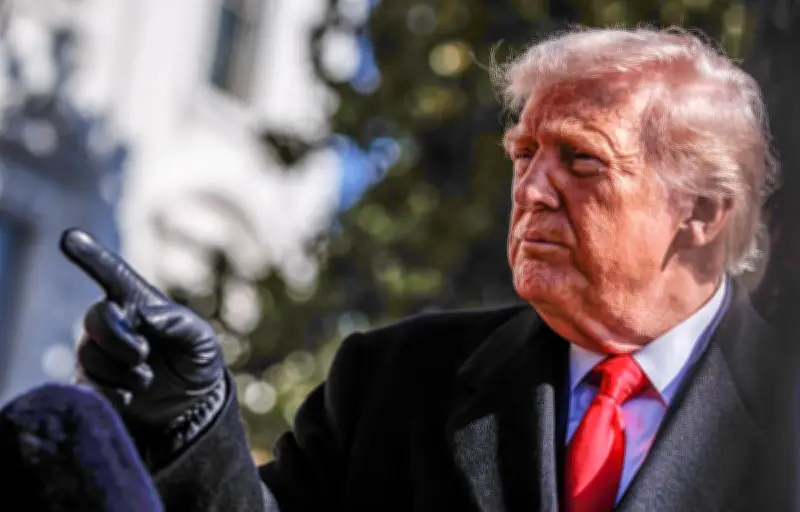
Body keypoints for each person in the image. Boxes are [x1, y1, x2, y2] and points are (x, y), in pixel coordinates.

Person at [60, 26, 797, 512]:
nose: (533, 190)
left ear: (702, 211)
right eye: (524, 154)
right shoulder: (392, 380)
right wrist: (194, 422)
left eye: (581, 160)